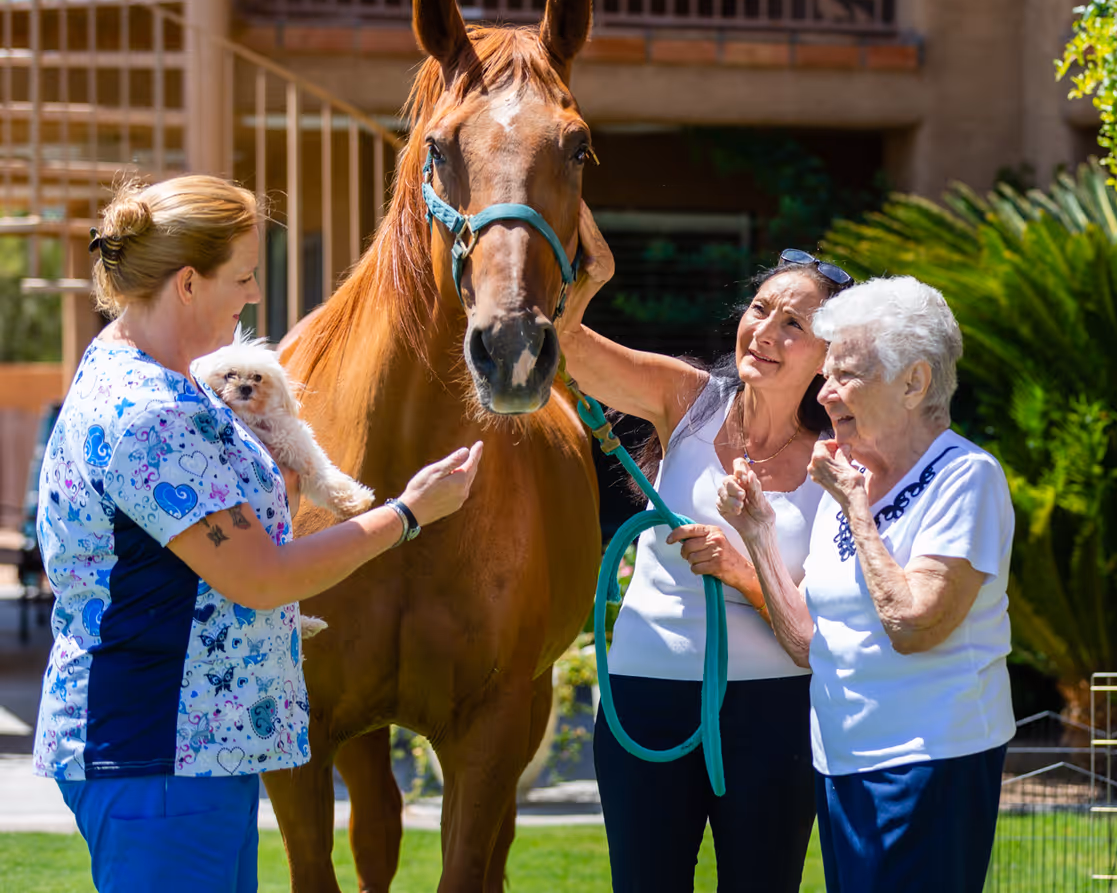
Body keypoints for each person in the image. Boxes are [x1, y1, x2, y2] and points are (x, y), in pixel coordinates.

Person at [32, 176, 483, 893]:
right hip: (162, 754)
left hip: (187, 749)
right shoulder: (154, 413)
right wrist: (409, 513)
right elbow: (262, 577)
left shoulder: (142, 376)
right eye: (242, 276)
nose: (251, 295)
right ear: (187, 283)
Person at [558, 218, 852, 893]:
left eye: (794, 326)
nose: (766, 332)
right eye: (760, 309)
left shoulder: (836, 461)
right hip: (643, 700)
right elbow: (563, 346)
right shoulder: (686, 401)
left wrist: (740, 564)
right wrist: (588, 283)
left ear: (825, 356)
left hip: (774, 712)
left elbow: (812, 633)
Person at [716, 275, 1015, 893]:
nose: (824, 394)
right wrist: (758, 534)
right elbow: (810, 644)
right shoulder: (848, 480)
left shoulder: (967, 478)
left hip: (930, 765)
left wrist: (853, 505)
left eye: (846, 375)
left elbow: (913, 624)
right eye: (827, 375)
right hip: (841, 766)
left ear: (914, 382)